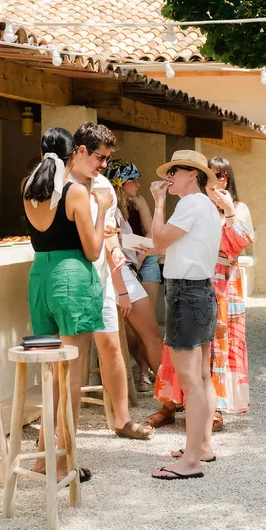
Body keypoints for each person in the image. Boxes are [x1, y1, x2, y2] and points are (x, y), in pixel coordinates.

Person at [22, 127, 110, 483]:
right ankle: (64, 464)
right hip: (72, 276)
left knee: (50, 375)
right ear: (74, 153)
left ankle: (43, 458)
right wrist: (101, 209)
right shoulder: (76, 193)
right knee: (71, 378)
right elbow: (92, 250)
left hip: (39, 277)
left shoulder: (27, 186)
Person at [148, 157, 253, 433]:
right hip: (205, 279)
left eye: (221, 175)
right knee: (186, 355)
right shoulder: (202, 206)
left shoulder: (231, 208)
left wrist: (229, 211)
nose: (216, 181)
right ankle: (176, 406)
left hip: (218, 281)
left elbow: (235, 246)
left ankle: (207, 418)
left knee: (205, 352)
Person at [137, 150, 221, 480]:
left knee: (189, 378)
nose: (169, 176)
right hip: (201, 290)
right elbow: (164, 244)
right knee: (200, 375)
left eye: (175, 171)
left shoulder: (189, 204)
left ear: (192, 175)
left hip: (186, 292)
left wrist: (157, 202)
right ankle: (201, 447)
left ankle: (190, 461)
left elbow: (159, 238)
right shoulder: (206, 207)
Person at [69, 123, 152, 440]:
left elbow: (111, 235)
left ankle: (121, 421)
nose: (104, 164)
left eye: (106, 158)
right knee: (74, 358)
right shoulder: (63, 185)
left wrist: (116, 255)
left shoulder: (103, 185)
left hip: (103, 277)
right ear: (80, 151)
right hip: (75, 279)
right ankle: (67, 431)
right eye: (101, 157)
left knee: (111, 347)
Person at [103, 159, 164, 392]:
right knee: (152, 335)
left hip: (128, 273)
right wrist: (122, 290)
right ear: (123, 183)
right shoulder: (112, 211)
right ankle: (172, 392)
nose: (138, 185)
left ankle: (159, 383)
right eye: (134, 181)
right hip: (124, 276)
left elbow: (130, 242)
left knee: (147, 334)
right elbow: (112, 249)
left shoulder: (115, 209)